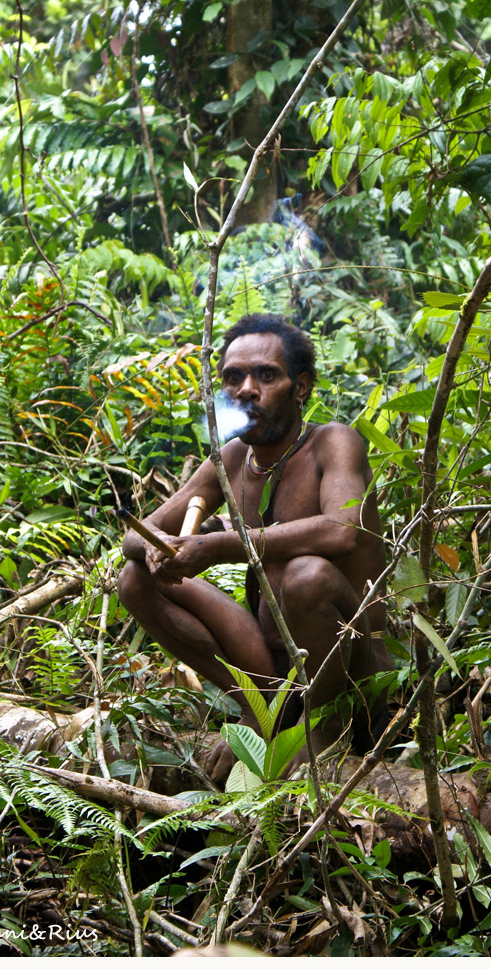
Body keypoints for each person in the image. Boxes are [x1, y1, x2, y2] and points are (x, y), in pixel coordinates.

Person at [117, 313, 392, 781]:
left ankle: (323, 728)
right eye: (233, 377)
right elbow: (132, 536)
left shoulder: (334, 443)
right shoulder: (230, 460)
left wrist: (221, 545)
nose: (246, 389)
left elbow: (344, 529)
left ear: (300, 386)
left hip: (355, 673)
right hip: (273, 667)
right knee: (134, 579)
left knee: (305, 575)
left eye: (266, 375)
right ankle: (259, 710)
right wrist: (158, 545)